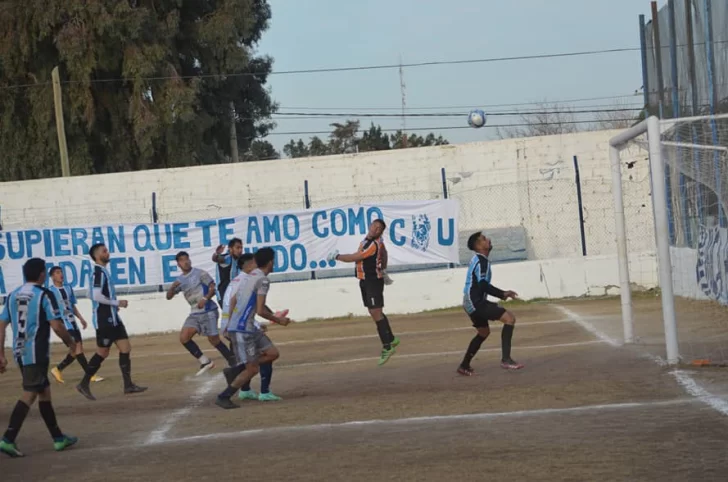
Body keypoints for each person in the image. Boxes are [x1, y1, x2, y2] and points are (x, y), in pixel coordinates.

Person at [0, 258, 79, 458]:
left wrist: (1, 353)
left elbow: (1, 325)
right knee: (30, 393)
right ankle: (8, 438)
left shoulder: (12, 295)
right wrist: (70, 342)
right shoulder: (44, 294)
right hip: (35, 352)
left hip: (19, 351)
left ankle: (58, 438)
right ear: (42, 274)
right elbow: (56, 325)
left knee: (44, 391)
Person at [216, 247, 291, 409]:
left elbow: (236, 299)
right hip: (244, 329)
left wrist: (231, 321)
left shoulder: (249, 277)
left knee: (272, 353)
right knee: (253, 369)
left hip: (245, 326)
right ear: (270, 262)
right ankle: (224, 395)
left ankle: (237, 369)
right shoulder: (263, 280)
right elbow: (260, 310)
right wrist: (278, 320)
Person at [75, 243, 147, 400]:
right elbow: (96, 295)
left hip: (112, 318)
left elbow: (89, 293)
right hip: (104, 320)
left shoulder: (101, 272)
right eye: (104, 251)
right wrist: (116, 303)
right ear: (96, 256)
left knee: (125, 348)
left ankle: (128, 385)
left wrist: (112, 306)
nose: (107, 252)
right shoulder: (98, 272)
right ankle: (84, 383)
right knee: (103, 352)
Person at [327, 219, 399, 366]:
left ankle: (387, 346)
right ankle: (391, 338)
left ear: (381, 232)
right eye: (374, 226)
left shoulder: (372, 244)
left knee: (376, 314)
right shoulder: (369, 241)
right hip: (365, 281)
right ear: (370, 225)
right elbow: (384, 253)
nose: (375, 229)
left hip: (372, 281)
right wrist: (383, 269)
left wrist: (337, 257)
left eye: (379, 229)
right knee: (374, 312)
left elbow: (356, 257)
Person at [458, 231, 524, 376]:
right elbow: (482, 285)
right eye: (483, 239)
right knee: (509, 318)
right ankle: (506, 360)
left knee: (483, 332)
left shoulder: (480, 260)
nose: (488, 240)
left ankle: (464, 365)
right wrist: (502, 293)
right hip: (474, 302)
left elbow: (481, 284)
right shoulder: (481, 261)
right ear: (478, 245)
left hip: (471, 302)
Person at [166, 251, 236, 375]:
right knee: (184, 337)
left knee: (214, 340)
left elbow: (213, 287)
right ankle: (205, 361)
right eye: (182, 260)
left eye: (187, 259)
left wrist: (205, 299)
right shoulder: (180, 280)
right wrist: (172, 287)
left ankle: (233, 361)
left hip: (208, 310)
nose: (186, 262)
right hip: (194, 313)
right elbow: (169, 297)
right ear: (178, 264)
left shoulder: (200, 273)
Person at [48, 266, 104, 384]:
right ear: (52, 276)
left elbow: (72, 305)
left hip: (72, 322)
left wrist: (81, 318)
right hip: (63, 324)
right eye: (57, 273)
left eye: (61, 272)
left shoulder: (68, 288)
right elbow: (49, 309)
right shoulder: (50, 291)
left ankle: (58, 369)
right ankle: (90, 374)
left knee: (75, 350)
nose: (61, 274)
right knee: (78, 347)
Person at [212, 238, 243, 308]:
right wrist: (217, 254)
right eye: (237, 248)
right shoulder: (226, 258)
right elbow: (215, 258)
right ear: (230, 249)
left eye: (241, 248)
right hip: (224, 294)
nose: (240, 250)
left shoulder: (239, 260)